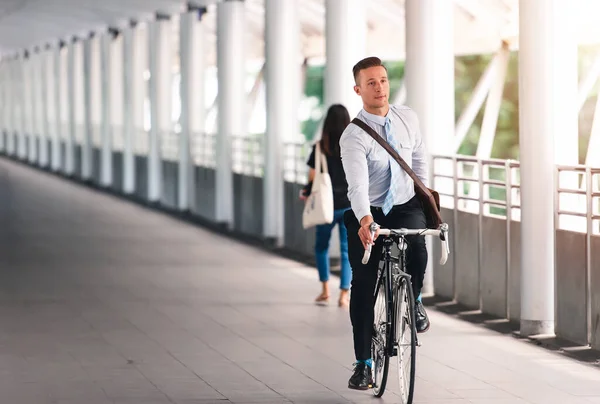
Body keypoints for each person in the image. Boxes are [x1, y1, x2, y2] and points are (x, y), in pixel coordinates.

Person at [339, 56, 431, 390]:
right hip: (370, 210)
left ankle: (415, 299)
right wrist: (365, 221)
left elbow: (419, 159)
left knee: (419, 249)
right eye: (371, 83)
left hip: (405, 204)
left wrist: (425, 198)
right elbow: (357, 185)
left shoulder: (408, 118)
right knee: (362, 286)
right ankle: (363, 363)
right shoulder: (353, 136)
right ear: (358, 89)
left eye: (383, 80)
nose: (380, 88)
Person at [301, 104, 352, 308]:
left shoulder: (321, 147)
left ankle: (324, 291)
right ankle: (344, 295)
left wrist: (305, 192)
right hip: (349, 205)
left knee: (321, 247)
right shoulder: (352, 146)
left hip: (325, 206)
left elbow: (313, 178)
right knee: (347, 251)